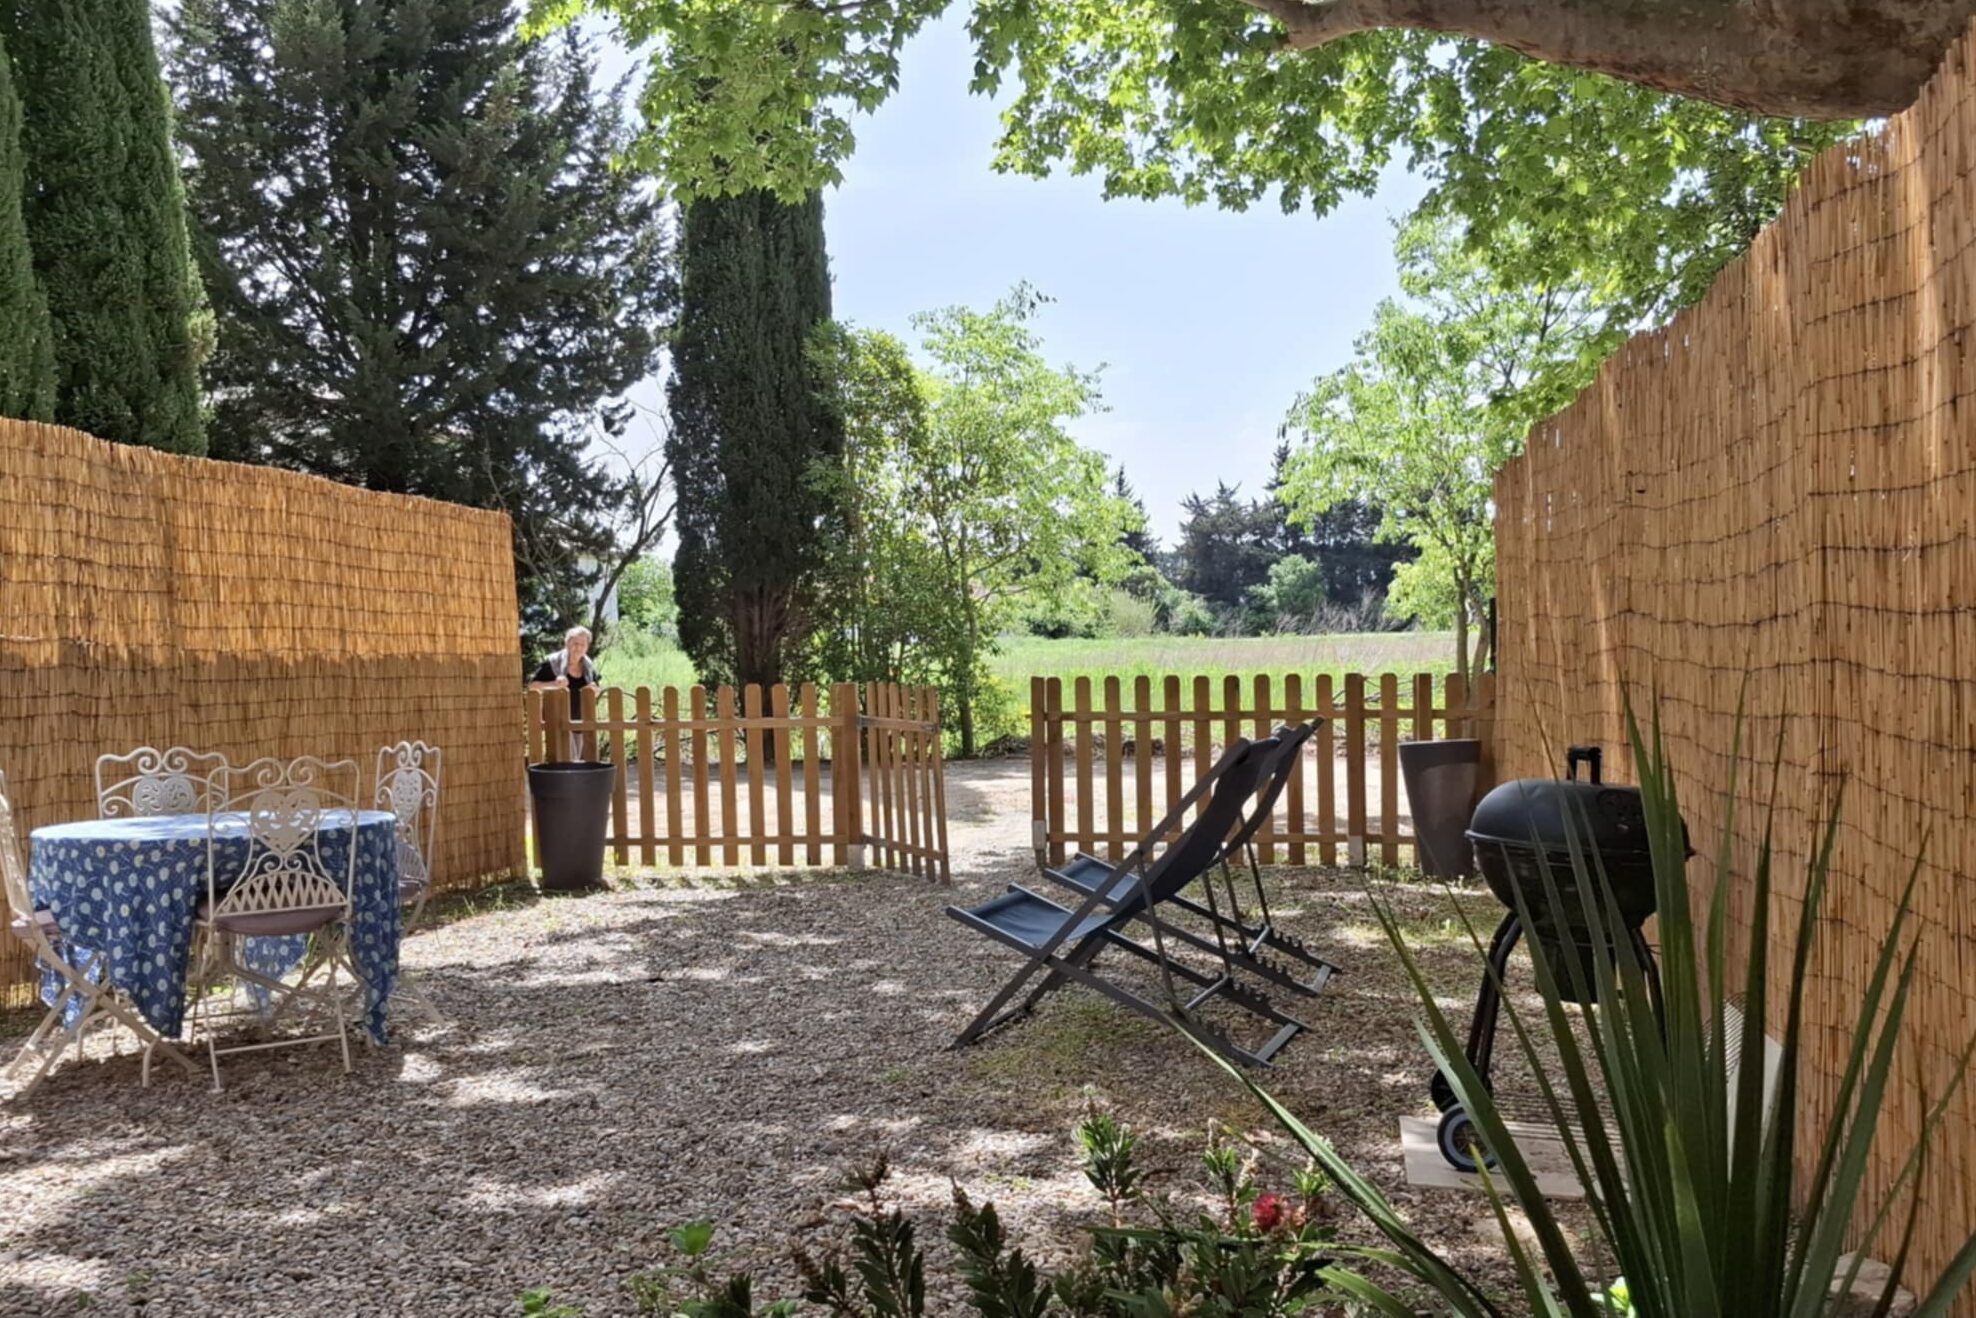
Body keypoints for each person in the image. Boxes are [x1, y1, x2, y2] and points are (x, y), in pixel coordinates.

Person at [528, 626, 601, 759]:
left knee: (577, 761)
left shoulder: (588, 666)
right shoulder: (552, 663)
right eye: (575, 643)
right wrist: (554, 684)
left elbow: (596, 689)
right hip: (558, 720)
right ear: (567, 643)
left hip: (581, 720)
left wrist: (594, 689)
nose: (578, 648)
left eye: (582, 644)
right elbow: (532, 687)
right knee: (567, 760)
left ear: (587, 647)